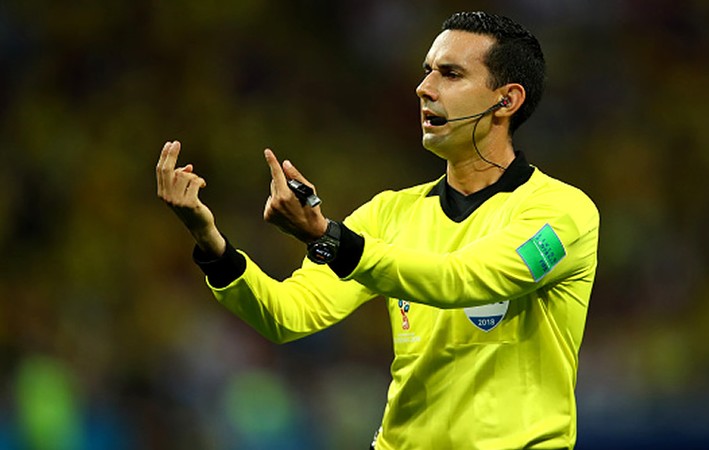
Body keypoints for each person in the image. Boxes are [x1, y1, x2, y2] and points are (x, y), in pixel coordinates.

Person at [156, 11, 599, 450]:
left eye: (450, 74)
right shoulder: (388, 214)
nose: (424, 88)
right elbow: (288, 315)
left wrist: (330, 238)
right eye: (427, 71)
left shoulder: (562, 213)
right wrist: (211, 243)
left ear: (507, 100)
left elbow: (465, 280)